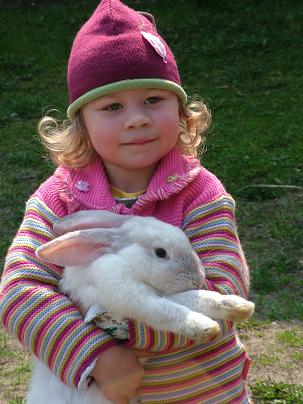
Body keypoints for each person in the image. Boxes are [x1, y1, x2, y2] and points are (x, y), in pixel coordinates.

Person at [0, 0, 252, 402]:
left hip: (205, 391)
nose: (137, 118)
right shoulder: (59, 199)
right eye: (113, 106)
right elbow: (20, 291)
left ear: (182, 111)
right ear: (82, 123)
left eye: (153, 100)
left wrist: (123, 328)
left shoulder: (201, 194)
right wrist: (98, 356)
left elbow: (222, 289)